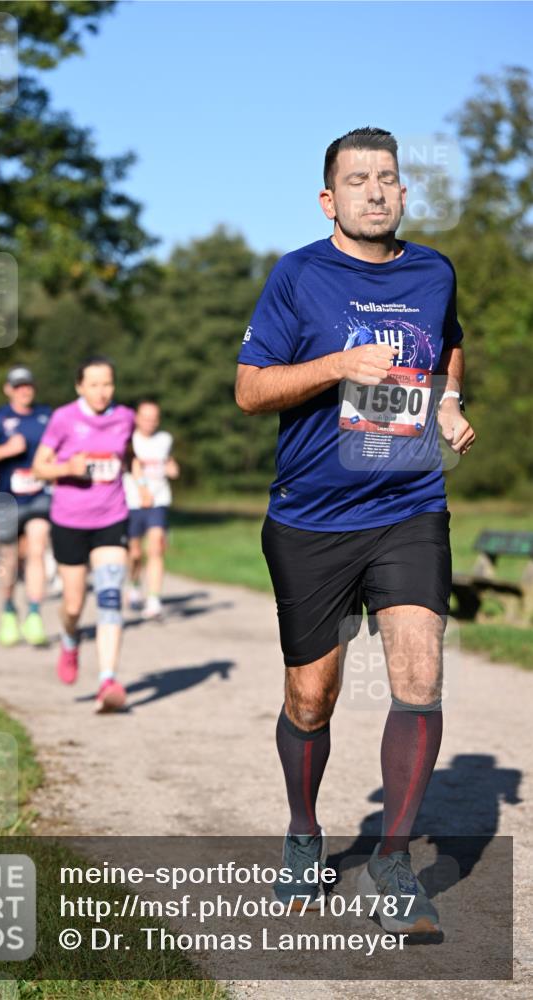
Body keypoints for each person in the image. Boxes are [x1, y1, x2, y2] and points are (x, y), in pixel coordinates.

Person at [235, 127, 475, 935]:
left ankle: (393, 861)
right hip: (309, 517)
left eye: (387, 178)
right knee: (312, 696)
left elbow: (448, 345)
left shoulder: (432, 270)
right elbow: (249, 388)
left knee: (418, 671)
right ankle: (304, 832)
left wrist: (446, 403)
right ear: (327, 198)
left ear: (403, 192)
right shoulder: (297, 276)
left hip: (407, 507)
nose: (374, 190)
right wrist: (339, 365)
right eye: (356, 180)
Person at [32, 356, 134, 711]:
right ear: (79, 387)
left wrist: (143, 481)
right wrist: (67, 467)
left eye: (107, 383)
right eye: (93, 384)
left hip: (112, 517)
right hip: (70, 520)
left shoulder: (125, 417)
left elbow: (128, 457)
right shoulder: (64, 419)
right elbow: (38, 468)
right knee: (73, 604)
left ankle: (107, 679)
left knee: (109, 596)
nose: (102, 391)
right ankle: (70, 637)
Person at [0, 366, 52, 647]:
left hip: (40, 495)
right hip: (7, 498)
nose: (24, 390)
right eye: (18, 386)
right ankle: (7, 609)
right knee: (9, 558)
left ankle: (35, 613)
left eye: (28, 385)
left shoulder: (47, 416)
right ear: (8, 389)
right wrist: (6, 450)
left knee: (38, 549)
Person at [123, 399, 180, 618]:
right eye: (146, 417)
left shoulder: (165, 439)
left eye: (154, 418)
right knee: (135, 553)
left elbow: (169, 462)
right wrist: (141, 489)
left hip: (159, 500)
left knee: (156, 547)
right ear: (137, 418)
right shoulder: (129, 440)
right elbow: (131, 467)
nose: (150, 422)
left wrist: (172, 468)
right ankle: (134, 582)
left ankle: (154, 599)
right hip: (132, 502)